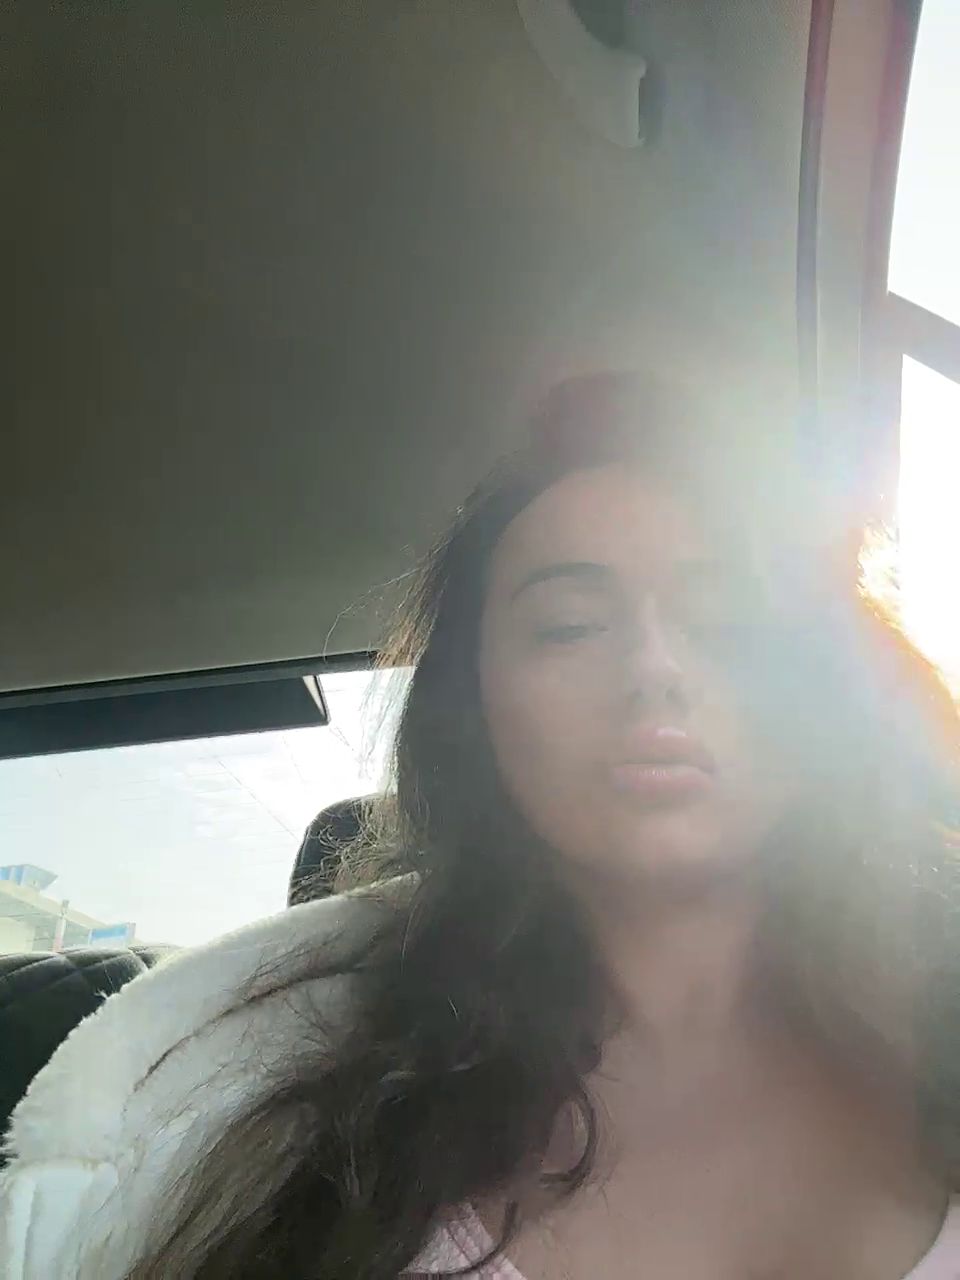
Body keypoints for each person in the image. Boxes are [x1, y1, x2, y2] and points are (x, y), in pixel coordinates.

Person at [1, 373, 957, 1279]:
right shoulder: (299, 1135)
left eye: (730, 620)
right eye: (570, 626)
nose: (655, 669)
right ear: (474, 707)